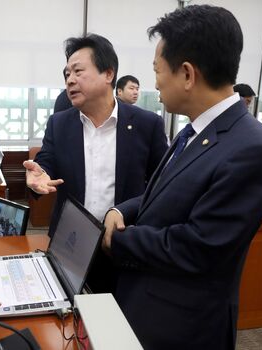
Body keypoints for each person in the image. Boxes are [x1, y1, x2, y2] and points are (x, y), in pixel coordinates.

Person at [101, 5, 262, 349]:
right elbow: (165, 194)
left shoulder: (252, 148)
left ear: (187, 74)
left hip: (184, 326)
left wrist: (117, 240)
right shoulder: (195, 130)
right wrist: (121, 211)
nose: (154, 82)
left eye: (157, 70)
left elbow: (199, 247)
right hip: (146, 303)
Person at [23, 34, 168, 293]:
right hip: (71, 242)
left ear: (108, 74)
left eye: (78, 71)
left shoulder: (147, 125)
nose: (69, 80)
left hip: (122, 241)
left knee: (119, 320)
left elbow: (162, 186)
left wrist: (125, 210)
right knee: (70, 319)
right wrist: (39, 175)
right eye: (67, 73)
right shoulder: (60, 123)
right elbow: (46, 161)